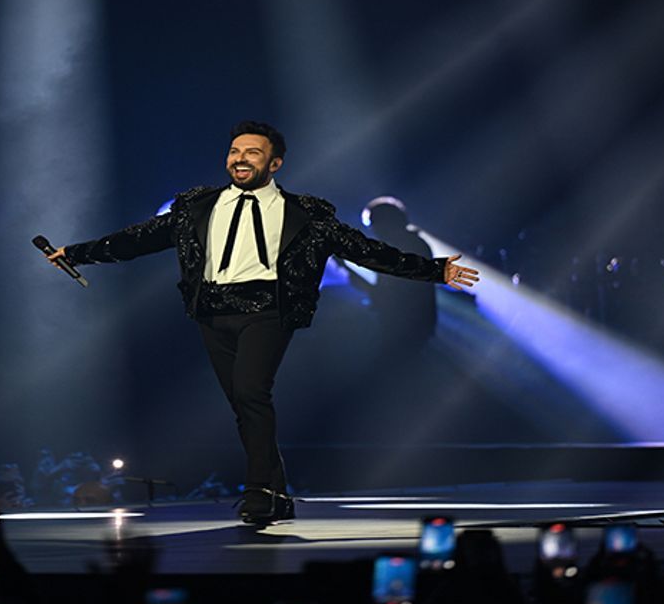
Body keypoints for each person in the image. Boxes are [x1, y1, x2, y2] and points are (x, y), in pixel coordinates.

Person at [45, 120, 479, 524]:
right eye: (235, 151)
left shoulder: (305, 214)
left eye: (252, 152)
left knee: (252, 392)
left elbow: (364, 250)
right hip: (212, 309)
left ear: (274, 163)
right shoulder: (198, 207)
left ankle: (259, 492)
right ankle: (278, 491)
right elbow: (138, 239)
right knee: (242, 403)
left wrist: (433, 270)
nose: (240, 159)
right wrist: (79, 253)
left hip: (269, 308)